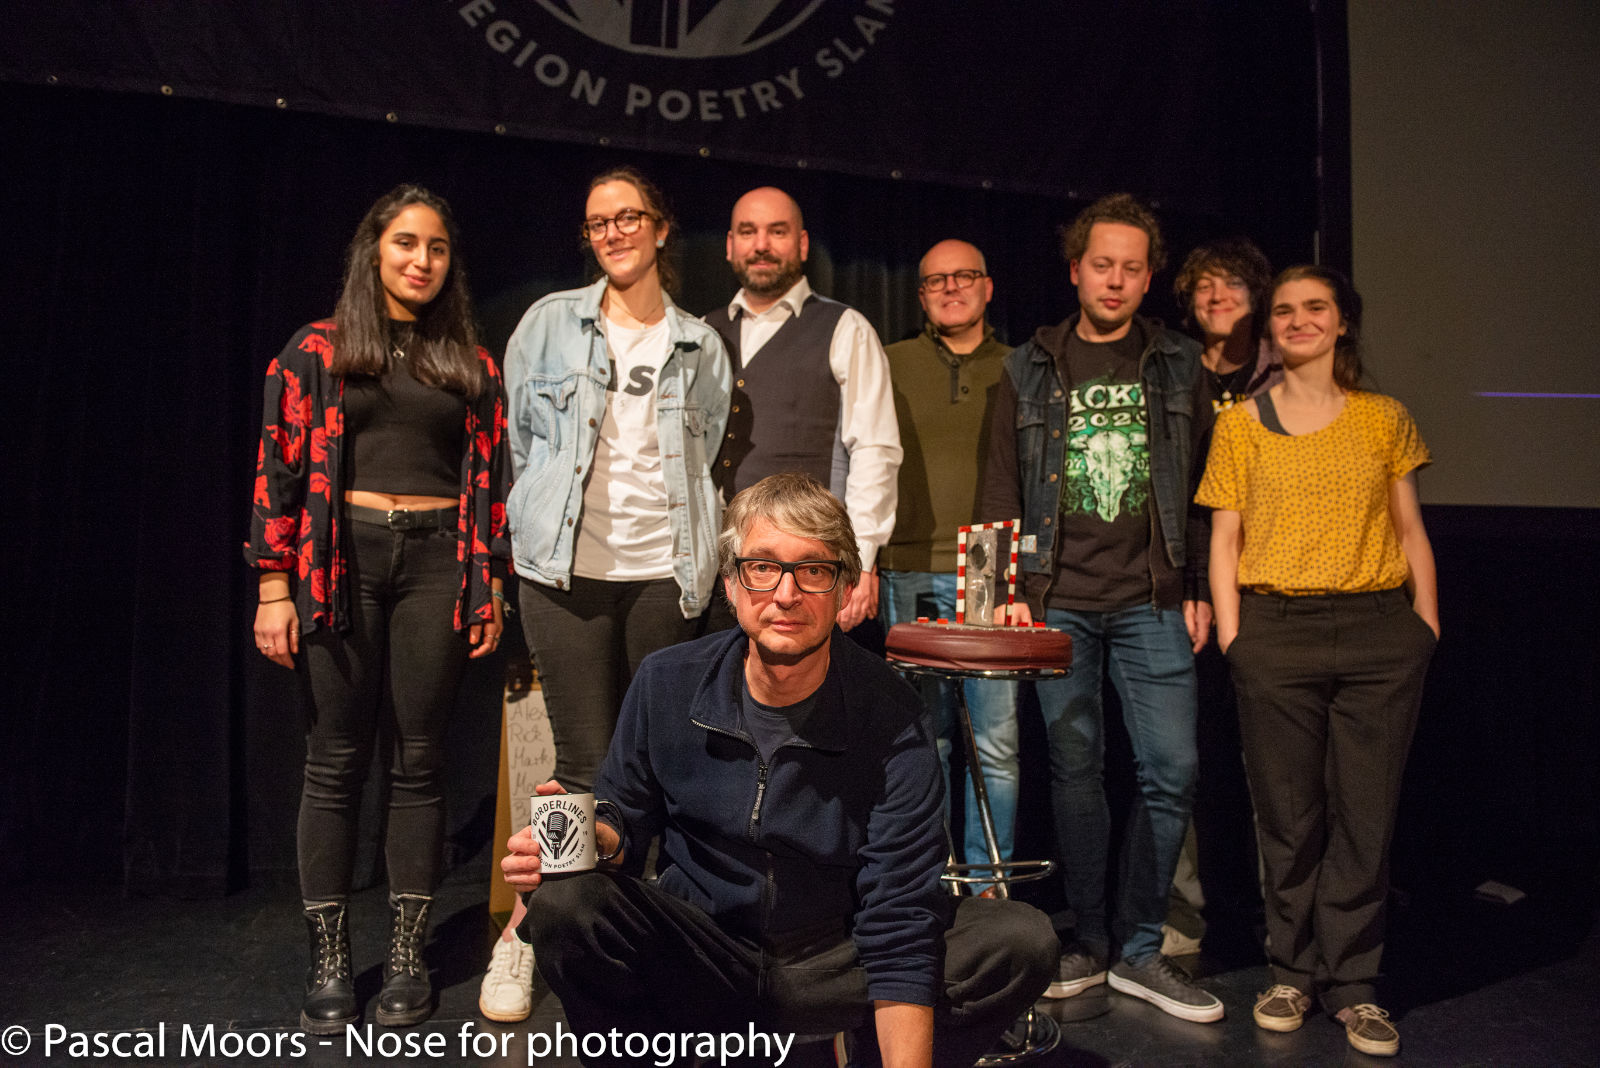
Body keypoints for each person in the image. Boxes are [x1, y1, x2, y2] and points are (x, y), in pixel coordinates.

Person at [503, 473, 1056, 1068]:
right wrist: (592, 839)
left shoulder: (893, 713)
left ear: (844, 590)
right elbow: (625, 819)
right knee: (566, 904)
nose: (786, 595)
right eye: (762, 567)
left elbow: (899, 912)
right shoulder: (667, 680)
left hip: (834, 960)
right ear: (732, 585)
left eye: (813, 571)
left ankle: (846, 1051)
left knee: (1018, 940)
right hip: (704, 955)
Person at [246, 184, 510, 1033]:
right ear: (374, 250)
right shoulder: (316, 351)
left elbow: (490, 484)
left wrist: (489, 582)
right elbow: (278, 468)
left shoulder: (470, 362)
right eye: (405, 244)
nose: (420, 261)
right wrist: (272, 584)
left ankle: (405, 952)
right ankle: (329, 960)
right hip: (340, 562)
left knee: (421, 760)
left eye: (435, 248)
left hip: (438, 564)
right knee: (334, 759)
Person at [480, 165, 731, 1023]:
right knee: (582, 767)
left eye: (629, 218)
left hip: (667, 571)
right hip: (565, 574)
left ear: (662, 229)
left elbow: (704, 452)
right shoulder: (545, 324)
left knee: (658, 765)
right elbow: (524, 447)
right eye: (597, 223)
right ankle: (530, 932)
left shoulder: (701, 342)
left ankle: (642, 939)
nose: (614, 232)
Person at [980, 193, 1223, 1022]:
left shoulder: (1180, 364)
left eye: (1131, 267)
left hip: (1153, 601)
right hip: (1058, 602)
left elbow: (1200, 491)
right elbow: (1000, 486)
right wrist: (1005, 592)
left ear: (1148, 276)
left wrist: (1192, 587)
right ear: (1075, 268)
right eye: (1101, 264)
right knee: (1077, 774)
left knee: (1172, 771)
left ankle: (1143, 948)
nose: (1115, 280)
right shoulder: (1029, 365)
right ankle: (1087, 937)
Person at [1198, 265, 1438, 1057]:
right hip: (1277, 632)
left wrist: (1423, 625)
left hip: (1376, 632)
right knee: (1290, 819)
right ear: (1270, 328)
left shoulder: (1383, 418)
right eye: (1286, 311)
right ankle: (1291, 972)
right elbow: (1224, 537)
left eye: (1316, 309)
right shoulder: (1240, 424)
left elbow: (1408, 528)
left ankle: (1356, 986)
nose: (1300, 321)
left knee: (1364, 819)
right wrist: (1237, 638)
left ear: (1343, 323)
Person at [879, 239, 1020, 877]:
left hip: (989, 565)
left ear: (988, 287)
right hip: (905, 563)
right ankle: (928, 884)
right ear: (921, 295)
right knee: (921, 741)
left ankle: (991, 890)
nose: (951, 287)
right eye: (936, 279)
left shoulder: (1022, 367)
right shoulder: (888, 361)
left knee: (995, 742)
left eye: (965, 276)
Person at [703, 186, 901, 632]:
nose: (761, 245)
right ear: (730, 245)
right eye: (748, 232)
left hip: (805, 572)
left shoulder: (845, 328)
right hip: (717, 571)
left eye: (777, 231)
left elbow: (875, 451)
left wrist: (861, 560)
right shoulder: (702, 331)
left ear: (803, 244)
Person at [1160, 237, 1280, 960]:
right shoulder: (1171, 371)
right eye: (1203, 287)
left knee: (1270, 761)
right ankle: (1194, 910)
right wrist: (1191, 586)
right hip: (1185, 593)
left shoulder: (1284, 371)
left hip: (1270, 587)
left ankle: (1277, 912)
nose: (1215, 298)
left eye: (1231, 285)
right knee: (1186, 760)